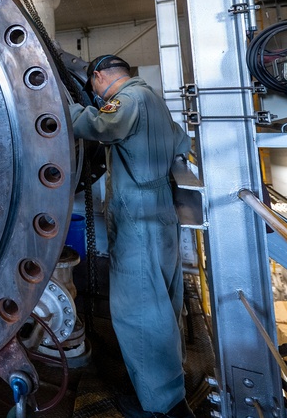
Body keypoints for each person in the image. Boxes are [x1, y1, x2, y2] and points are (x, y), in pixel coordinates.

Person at [69, 55, 193, 418]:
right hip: (163, 214)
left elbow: (99, 126)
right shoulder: (153, 98)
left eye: (93, 84)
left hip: (137, 218)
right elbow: (181, 144)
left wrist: (67, 108)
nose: (94, 91)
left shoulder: (127, 101)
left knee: (138, 310)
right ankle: (172, 384)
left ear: (100, 76)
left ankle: (160, 406)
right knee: (165, 303)